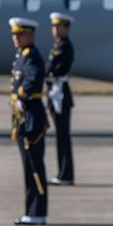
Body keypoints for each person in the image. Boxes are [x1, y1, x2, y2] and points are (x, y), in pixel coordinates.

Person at [9, 17, 49, 226]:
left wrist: (21, 96)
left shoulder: (32, 56)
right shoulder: (22, 56)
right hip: (24, 117)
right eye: (14, 34)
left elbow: (33, 80)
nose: (16, 38)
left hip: (32, 117)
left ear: (30, 35)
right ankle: (31, 211)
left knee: (33, 165)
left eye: (20, 34)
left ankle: (36, 212)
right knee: (28, 165)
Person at [46, 12, 76, 185]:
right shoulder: (58, 45)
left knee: (63, 136)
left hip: (60, 93)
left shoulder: (64, 46)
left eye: (59, 26)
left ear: (67, 28)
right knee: (60, 136)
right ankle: (63, 173)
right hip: (55, 91)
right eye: (54, 26)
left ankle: (65, 175)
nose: (56, 30)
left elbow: (52, 68)